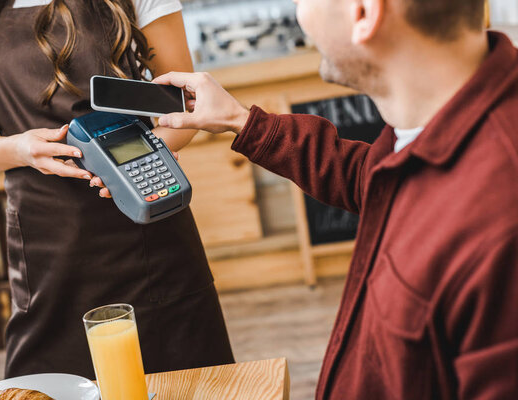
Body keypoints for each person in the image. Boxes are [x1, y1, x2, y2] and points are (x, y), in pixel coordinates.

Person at [153, 0, 518, 398]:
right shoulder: (439, 123)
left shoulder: (500, 214)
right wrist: (241, 121)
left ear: (363, 13)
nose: (299, 14)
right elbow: (373, 179)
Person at [0, 0, 233, 379]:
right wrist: (21, 149)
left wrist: (132, 160)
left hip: (145, 236)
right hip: (44, 250)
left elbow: (185, 112)